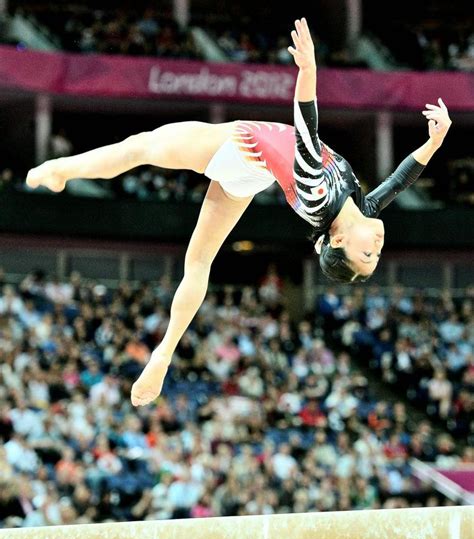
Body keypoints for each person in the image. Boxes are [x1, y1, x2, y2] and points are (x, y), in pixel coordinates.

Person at [26, 18, 452, 406]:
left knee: (142, 146)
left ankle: (62, 169)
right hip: (252, 176)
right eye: (376, 257)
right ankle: (165, 351)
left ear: (338, 241)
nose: (377, 247)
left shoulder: (320, 197)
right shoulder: (360, 207)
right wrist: (433, 143)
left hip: (241, 146)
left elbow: (307, 133)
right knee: (198, 261)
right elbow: (400, 180)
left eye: (366, 254)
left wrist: (308, 72)